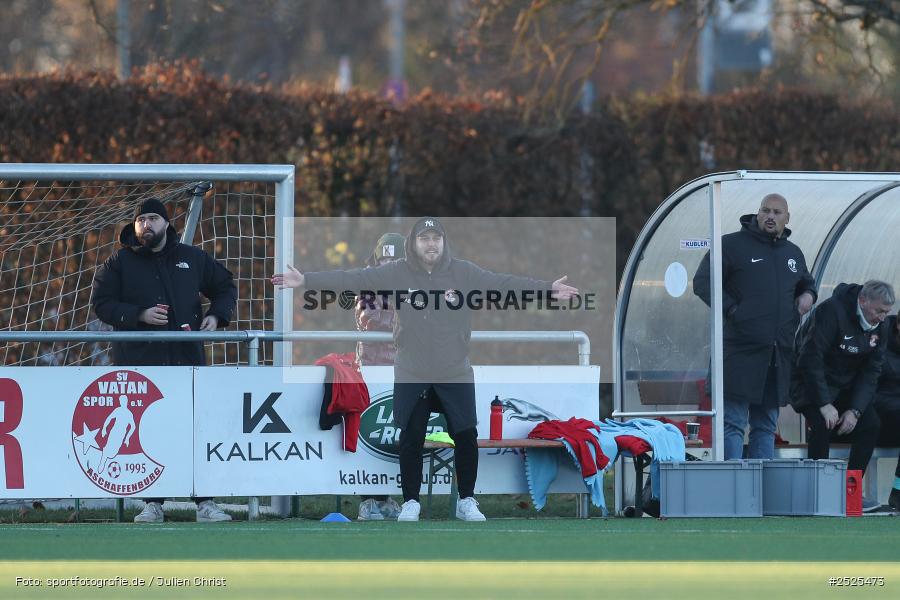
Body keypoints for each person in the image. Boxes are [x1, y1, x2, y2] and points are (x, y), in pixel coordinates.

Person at [273, 217, 578, 522]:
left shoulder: (463, 272)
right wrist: (307, 281)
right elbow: (354, 278)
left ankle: (467, 501)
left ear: (443, 242)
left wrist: (547, 289)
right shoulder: (397, 272)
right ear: (414, 244)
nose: (430, 244)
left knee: (466, 433)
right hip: (412, 371)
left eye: (436, 238)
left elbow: (503, 284)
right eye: (424, 239)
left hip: (454, 370)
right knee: (411, 436)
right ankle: (410, 503)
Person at [92, 197, 237, 523]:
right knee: (147, 433)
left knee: (194, 431)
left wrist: (216, 315)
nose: (147, 225)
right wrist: (138, 314)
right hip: (140, 365)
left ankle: (205, 503)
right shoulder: (119, 262)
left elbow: (225, 285)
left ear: (167, 223)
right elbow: (101, 303)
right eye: (141, 219)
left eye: (153, 218)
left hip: (187, 361)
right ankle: (153, 504)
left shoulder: (192, 258)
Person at [693, 194, 816, 460]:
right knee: (733, 424)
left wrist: (808, 296)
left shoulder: (792, 253)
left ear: (787, 218)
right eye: (765, 210)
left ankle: (759, 494)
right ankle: (732, 491)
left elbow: (807, 283)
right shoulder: (731, 245)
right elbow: (703, 282)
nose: (771, 216)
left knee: (765, 426)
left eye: (777, 212)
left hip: (776, 356)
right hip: (739, 352)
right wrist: (735, 310)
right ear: (757, 213)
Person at [791, 280, 894, 512]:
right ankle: (819, 494)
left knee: (871, 424)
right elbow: (810, 360)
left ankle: (850, 492)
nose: (881, 317)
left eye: (886, 313)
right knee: (822, 423)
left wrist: (856, 410)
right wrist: (824, 403)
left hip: (845, 389)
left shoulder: (882, 326)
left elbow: (872, 371)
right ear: (862, 301)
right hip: (811, 385)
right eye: (879, 311)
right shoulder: (832, 312)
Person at [355, 232, 405, 521]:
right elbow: (370, 319)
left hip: (404, 368)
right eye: (384, 258)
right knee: (370, 431)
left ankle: (385, 497)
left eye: (395, 258)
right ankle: (367, 500)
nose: (389, 264)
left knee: (395, 434)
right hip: (372, 368)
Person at [872, 311, 900, 512]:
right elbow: (868, 388)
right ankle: (898, 495)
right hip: (878, 419)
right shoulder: (877, 339)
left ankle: (898, 492)